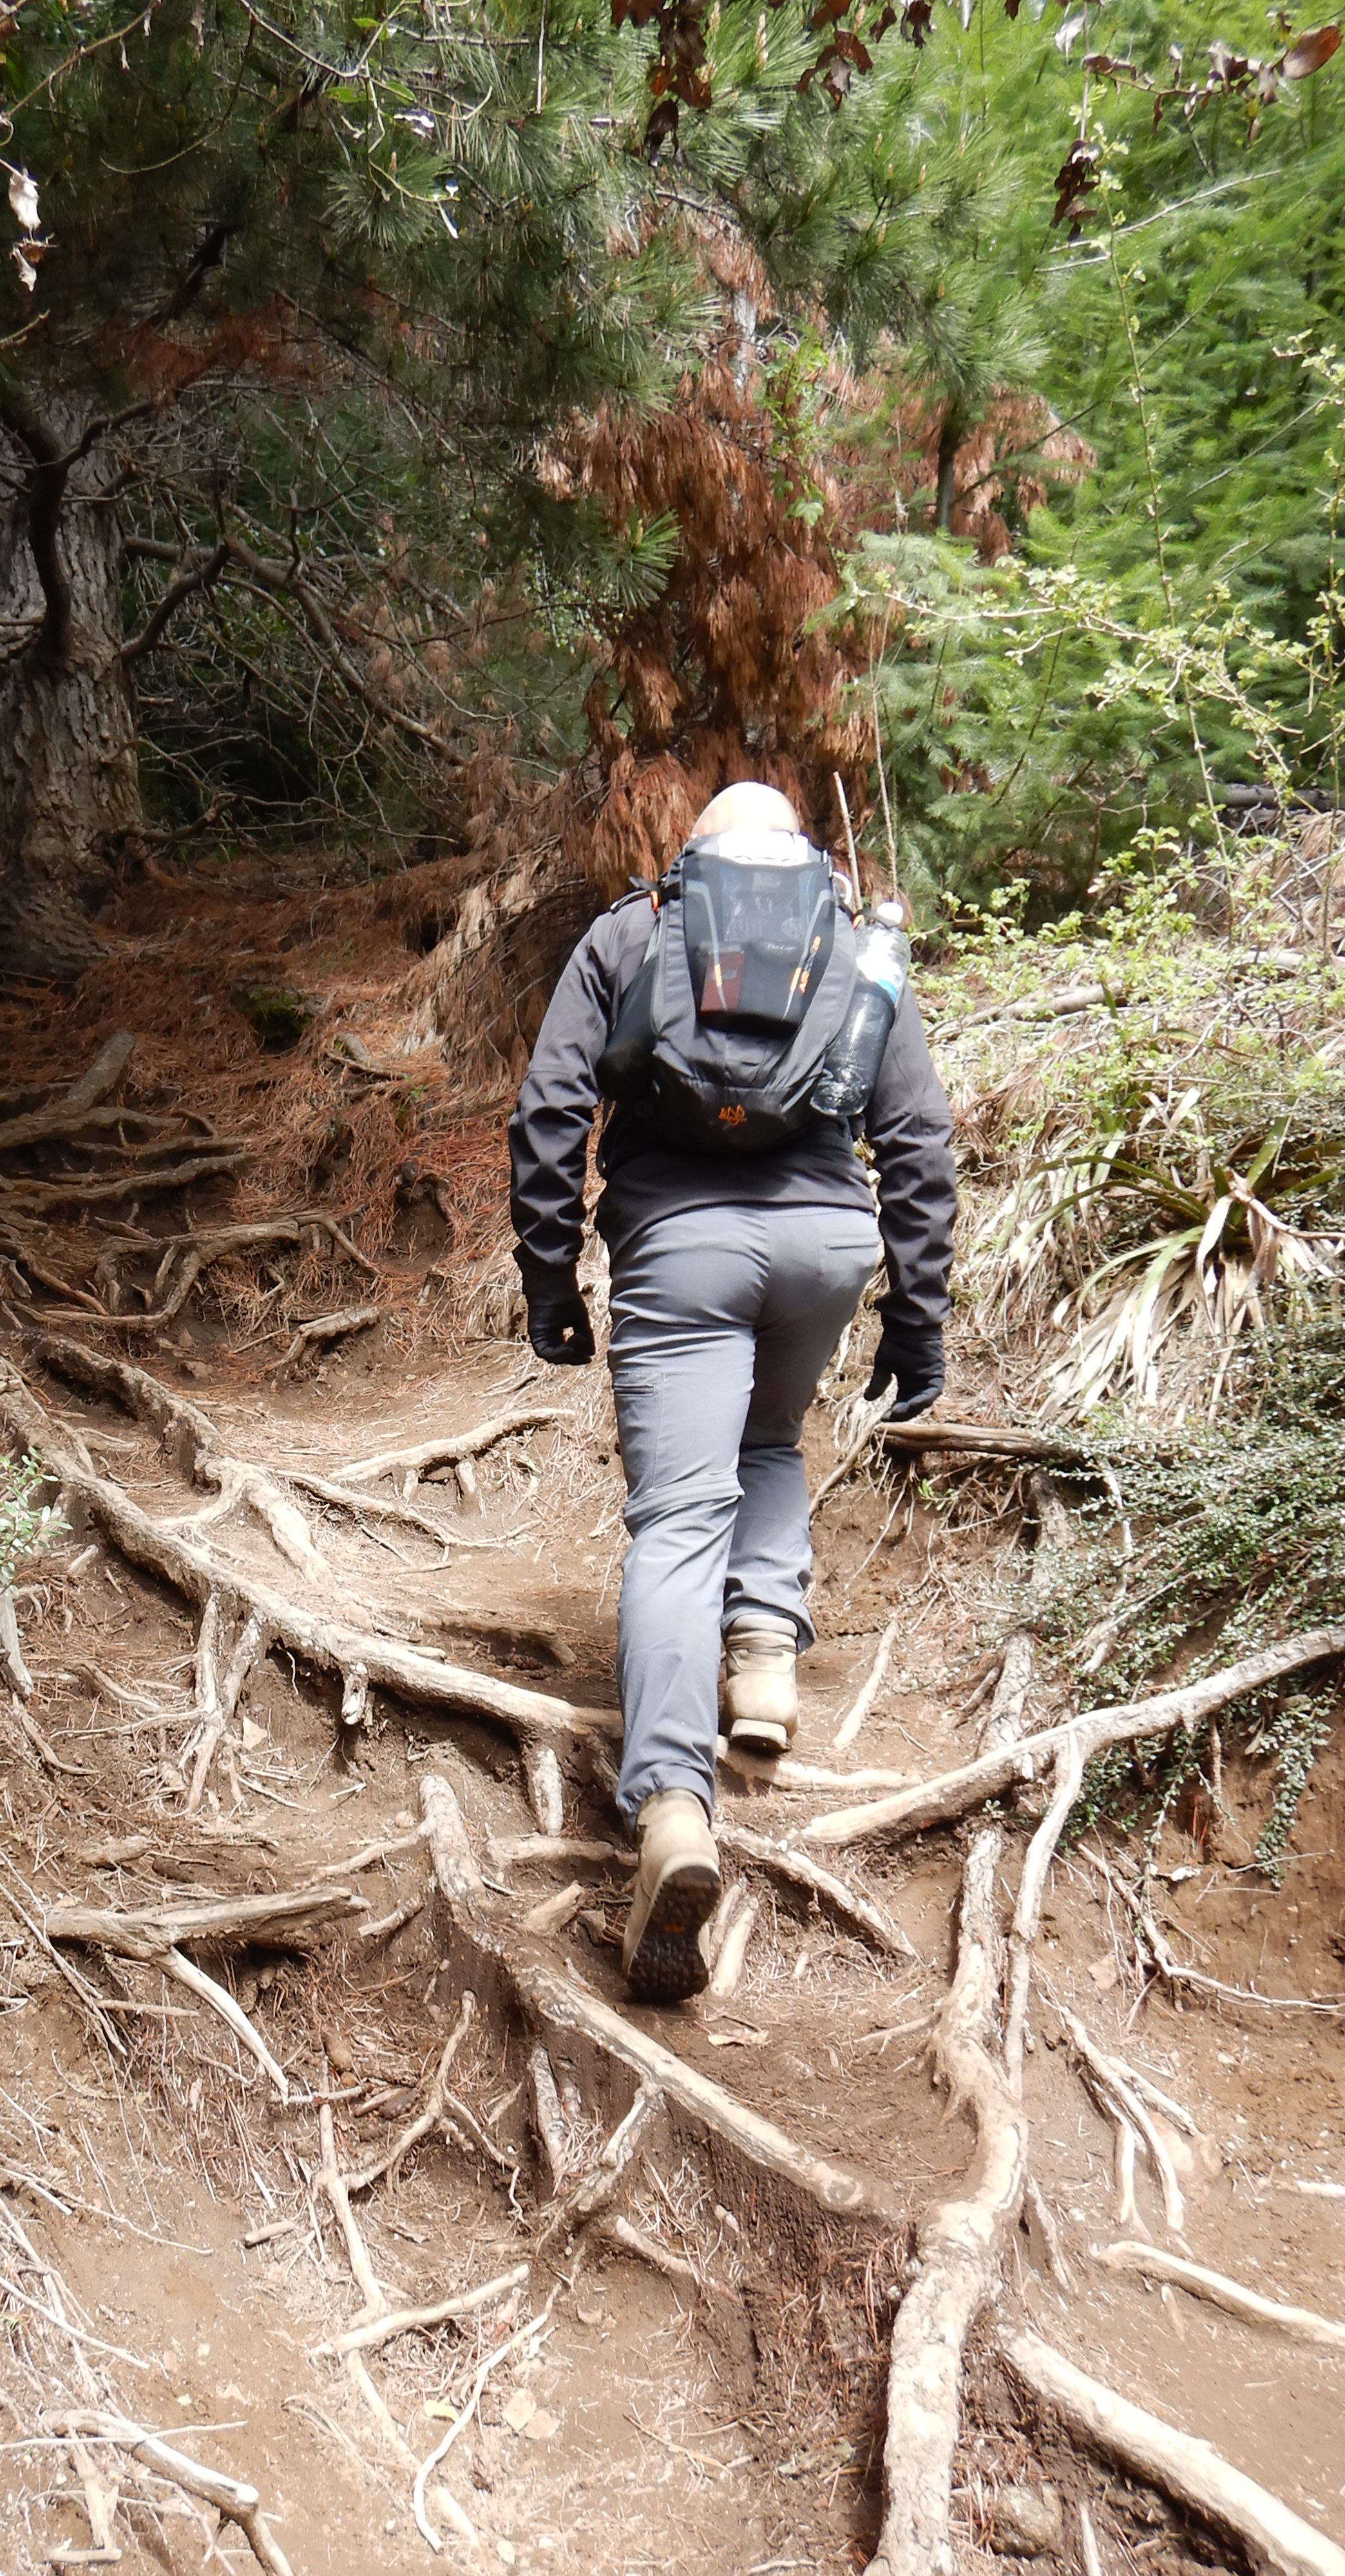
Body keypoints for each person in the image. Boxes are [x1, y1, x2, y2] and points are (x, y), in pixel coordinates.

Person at [508, 780, 956, 2000]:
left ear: (692, 857)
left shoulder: (637, 928)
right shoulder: (855, 945)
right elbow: (916, 1140)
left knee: (677, 1516)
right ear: (801, 857)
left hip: (682, 1248)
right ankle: (760, 1659)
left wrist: (552, 1279)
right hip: (826, 1246)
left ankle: (670, 1809)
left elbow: (552, 1108)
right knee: (769, 1436)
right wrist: (917, 1319)